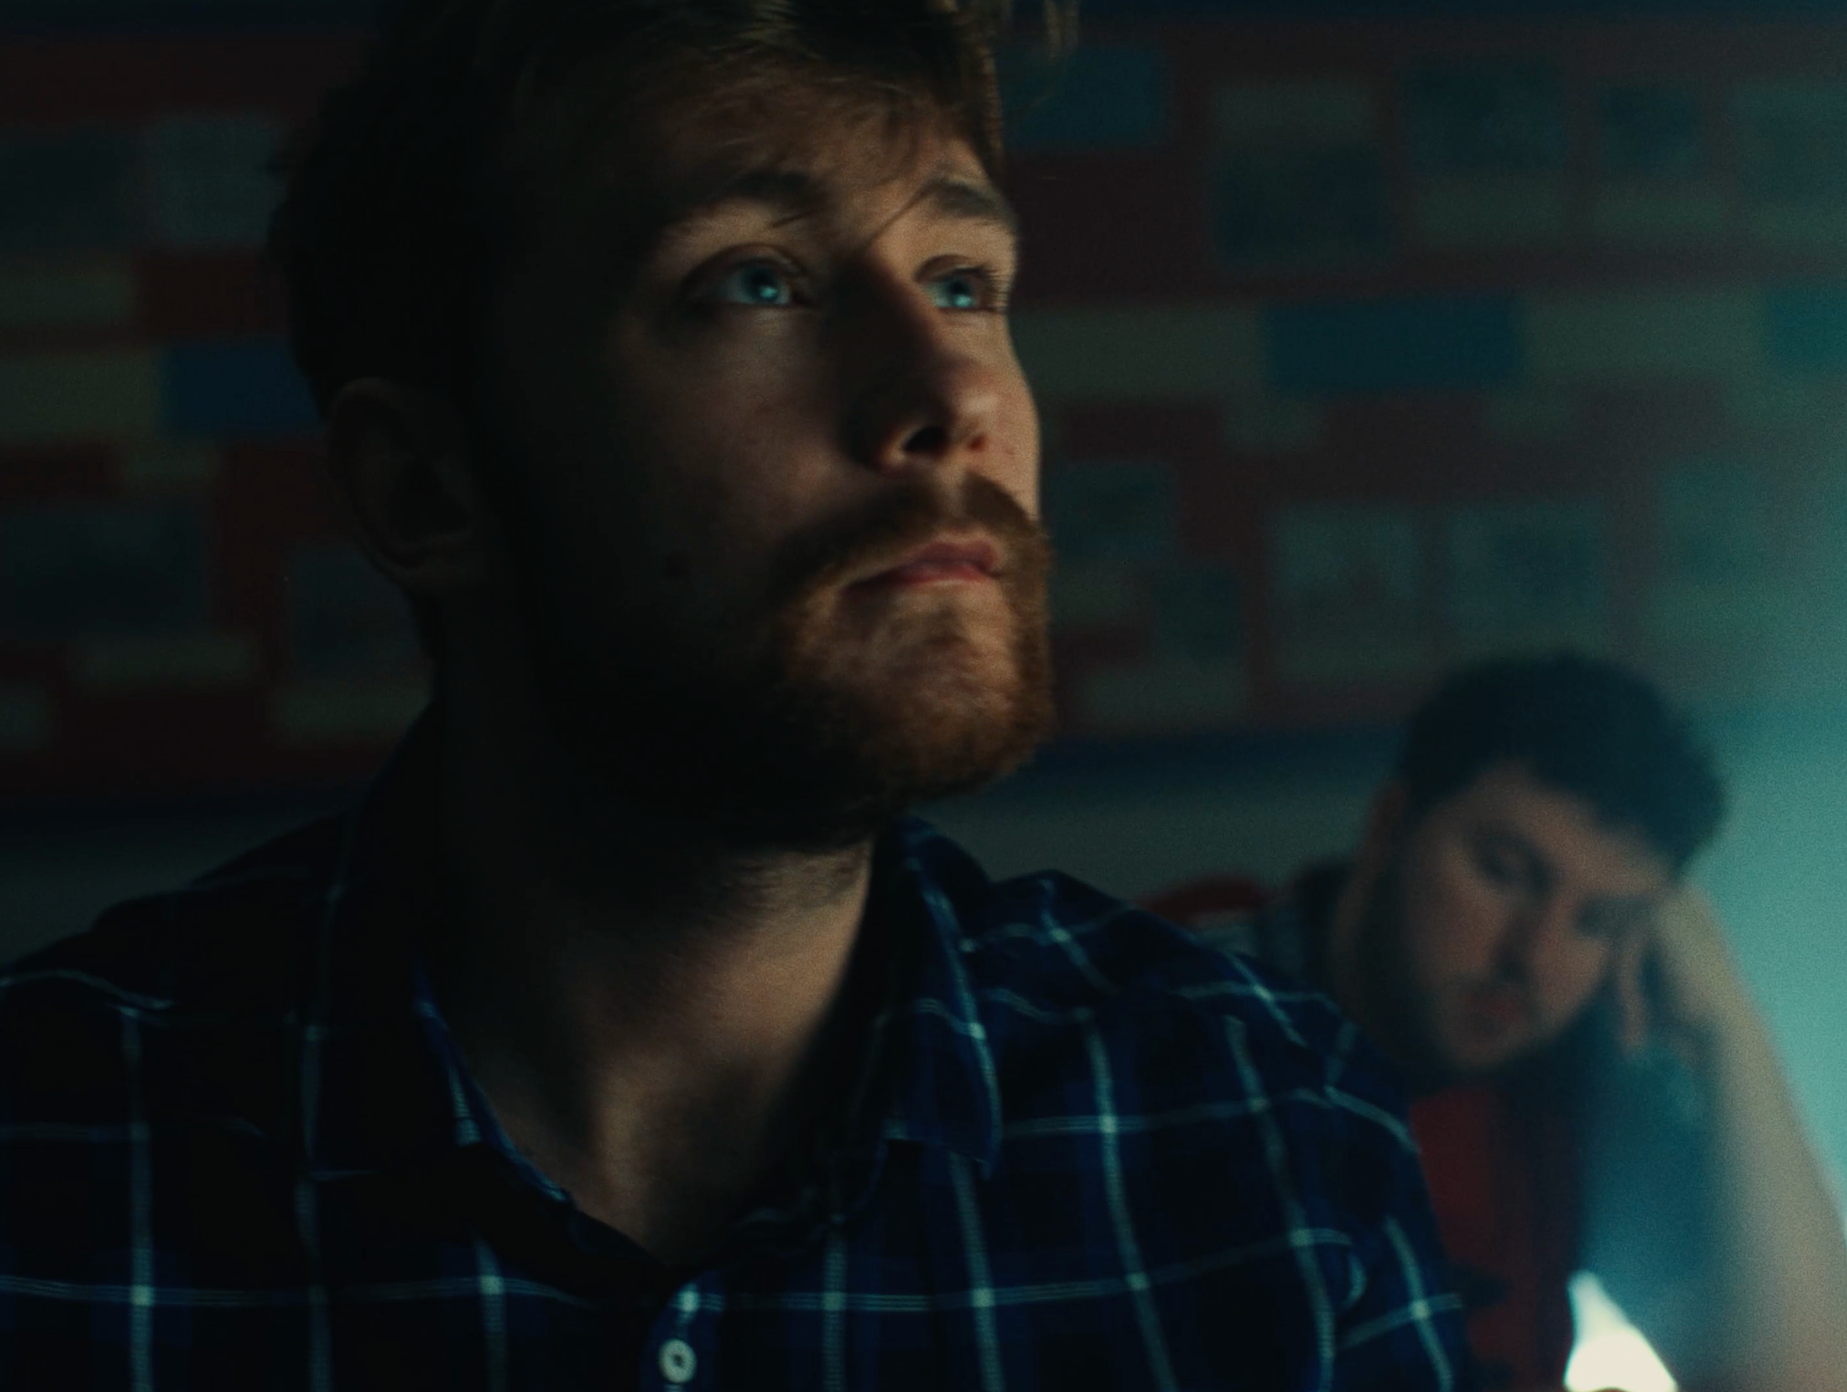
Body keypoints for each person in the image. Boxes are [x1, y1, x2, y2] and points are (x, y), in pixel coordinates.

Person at [0, 1, 1476, 1386]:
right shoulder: (50, 1151)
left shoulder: (1266, 1138)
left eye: (962, 284)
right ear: (426, 489)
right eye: (755, 282)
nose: (952, 390)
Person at [1146, 653, 1847, 1392]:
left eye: (1597, 921)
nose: (1531, 955)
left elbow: (1805, 1381)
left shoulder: (1577, 1075)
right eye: (1504, 872)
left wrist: (1730, 1032)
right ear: (1391, 825)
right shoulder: (1169, 1008)